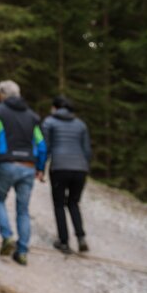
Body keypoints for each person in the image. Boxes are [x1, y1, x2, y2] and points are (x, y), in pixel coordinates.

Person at [0, 80, 47, 266]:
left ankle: (7, 236)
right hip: (28, 167)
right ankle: (23, 251)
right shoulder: (33, 116)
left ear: (2, 95)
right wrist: (40, 168)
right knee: (23, 210)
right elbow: (42, 145)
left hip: (7, 164)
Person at [42, 94, 91, 254]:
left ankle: (64, 241)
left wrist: (40, 168)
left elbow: (45, 148)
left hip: (60, 167)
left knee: (58, 204)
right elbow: (86, 150)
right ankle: (81, 237)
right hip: (80, 169)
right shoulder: (80, 125)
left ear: (55, 107)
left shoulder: (49, 122)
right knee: (74, 203)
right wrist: (85, 167)